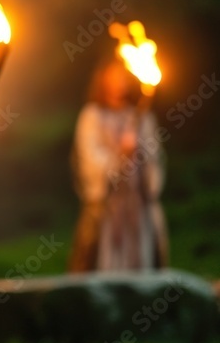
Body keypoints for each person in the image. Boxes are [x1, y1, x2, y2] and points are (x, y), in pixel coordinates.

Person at [68, 59, 168, 272]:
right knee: (104, 265)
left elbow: (154, 159)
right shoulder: (92, 116)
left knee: (143, 263)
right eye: (113, 80)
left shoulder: (142, 118)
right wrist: (119, 155)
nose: (118, 85)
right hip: (107, 208)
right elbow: (90, 160)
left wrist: (139, 152)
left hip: (138, 206)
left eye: (122, 79)